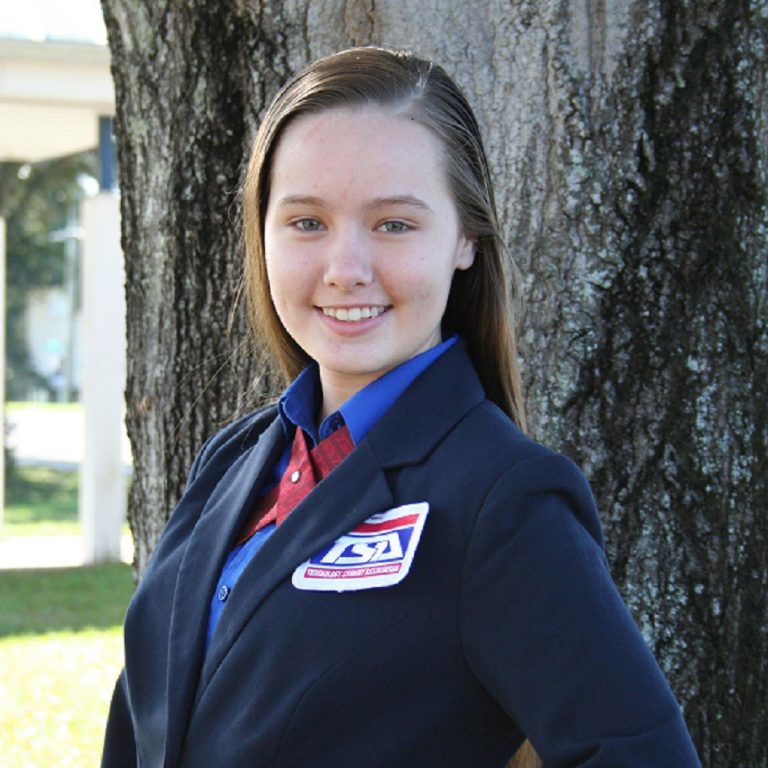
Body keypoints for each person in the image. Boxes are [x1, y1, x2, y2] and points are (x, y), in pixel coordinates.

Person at [101, 47, 702, 768]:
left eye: (394, 224)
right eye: (306, 222)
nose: (345, 268)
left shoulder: (502, 501)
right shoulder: (233, 460)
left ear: (466, 239)